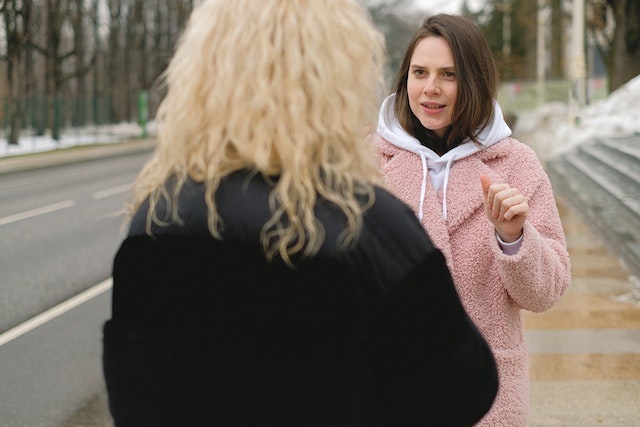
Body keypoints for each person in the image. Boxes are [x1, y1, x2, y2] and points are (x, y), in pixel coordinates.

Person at [102, 1, 499, 425]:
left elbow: (134, 396)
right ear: (334, 79)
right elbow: (464, 388)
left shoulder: (156, 221)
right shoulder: (365, 224)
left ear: (202, 73)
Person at [374, 14, 571, 426]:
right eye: (419, 72)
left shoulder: (517, 164)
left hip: (487, 394)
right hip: (388, 387)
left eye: (449, 74)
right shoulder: (367, 164)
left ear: (475, 80)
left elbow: (547, 293)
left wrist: (515, 238)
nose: (431, 88)